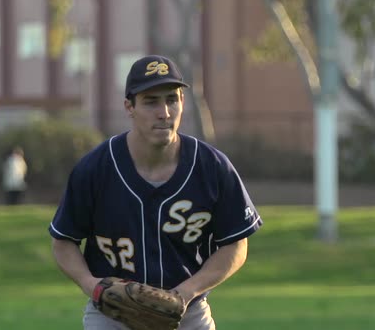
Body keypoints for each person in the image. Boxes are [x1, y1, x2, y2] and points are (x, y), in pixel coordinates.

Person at [48, 55, 263, 330]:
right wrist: (93, 287)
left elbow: (236, 245)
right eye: (151, 101)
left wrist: (185, 293)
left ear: (183, 103)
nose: (164, 112)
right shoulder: (96, 169)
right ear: (130, 107)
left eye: (172, 99)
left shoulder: (212, 167)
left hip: (188, 314)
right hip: (112, 315)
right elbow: (63, 242)